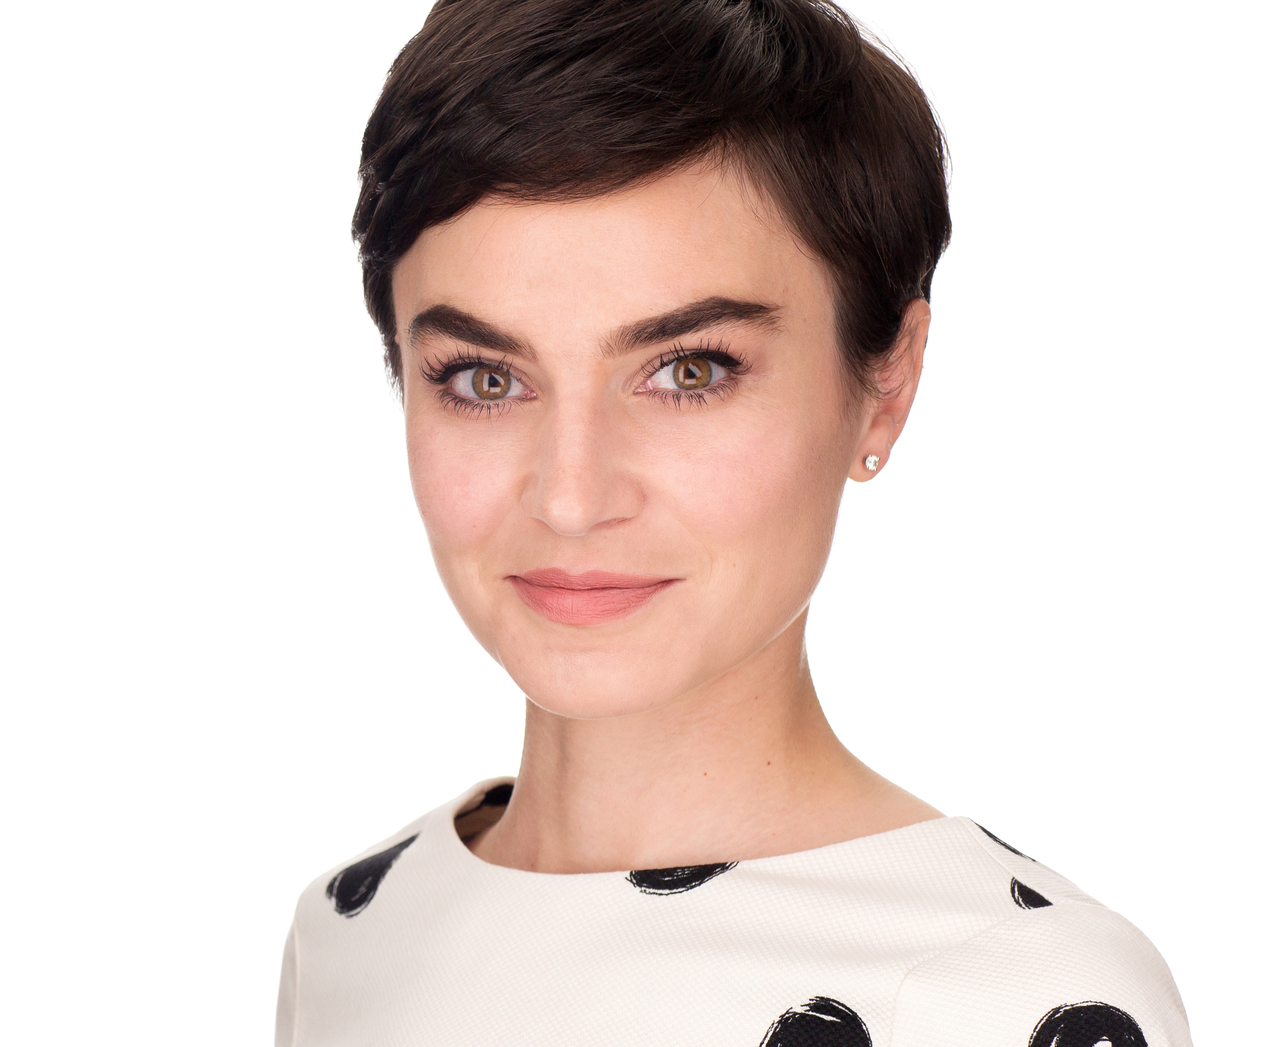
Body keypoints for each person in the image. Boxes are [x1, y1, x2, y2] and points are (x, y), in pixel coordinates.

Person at [277, 1, 1191, 1044]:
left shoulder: (1009, 994)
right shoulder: (351, 931)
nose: (570, 497)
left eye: (689, 372)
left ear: (885, 386)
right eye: (485, 378)